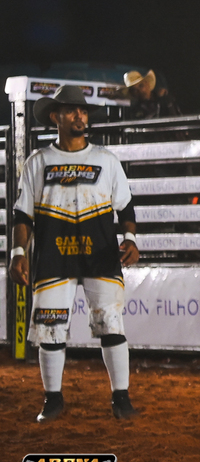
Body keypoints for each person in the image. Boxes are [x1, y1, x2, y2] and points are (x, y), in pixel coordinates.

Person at [8, 85, 140, 422]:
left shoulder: (106, 160)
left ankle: (121, 398)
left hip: (101, 254)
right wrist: (18, 252)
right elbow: (22, 215)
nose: (79, 116)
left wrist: (130, 239)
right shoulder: (38, 162)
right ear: (55, 117)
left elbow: (126, 207)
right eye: (71, 110)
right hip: (53, 255)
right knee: (50, 328)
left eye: (82, 110)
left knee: (111, 324)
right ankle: (52, 399)